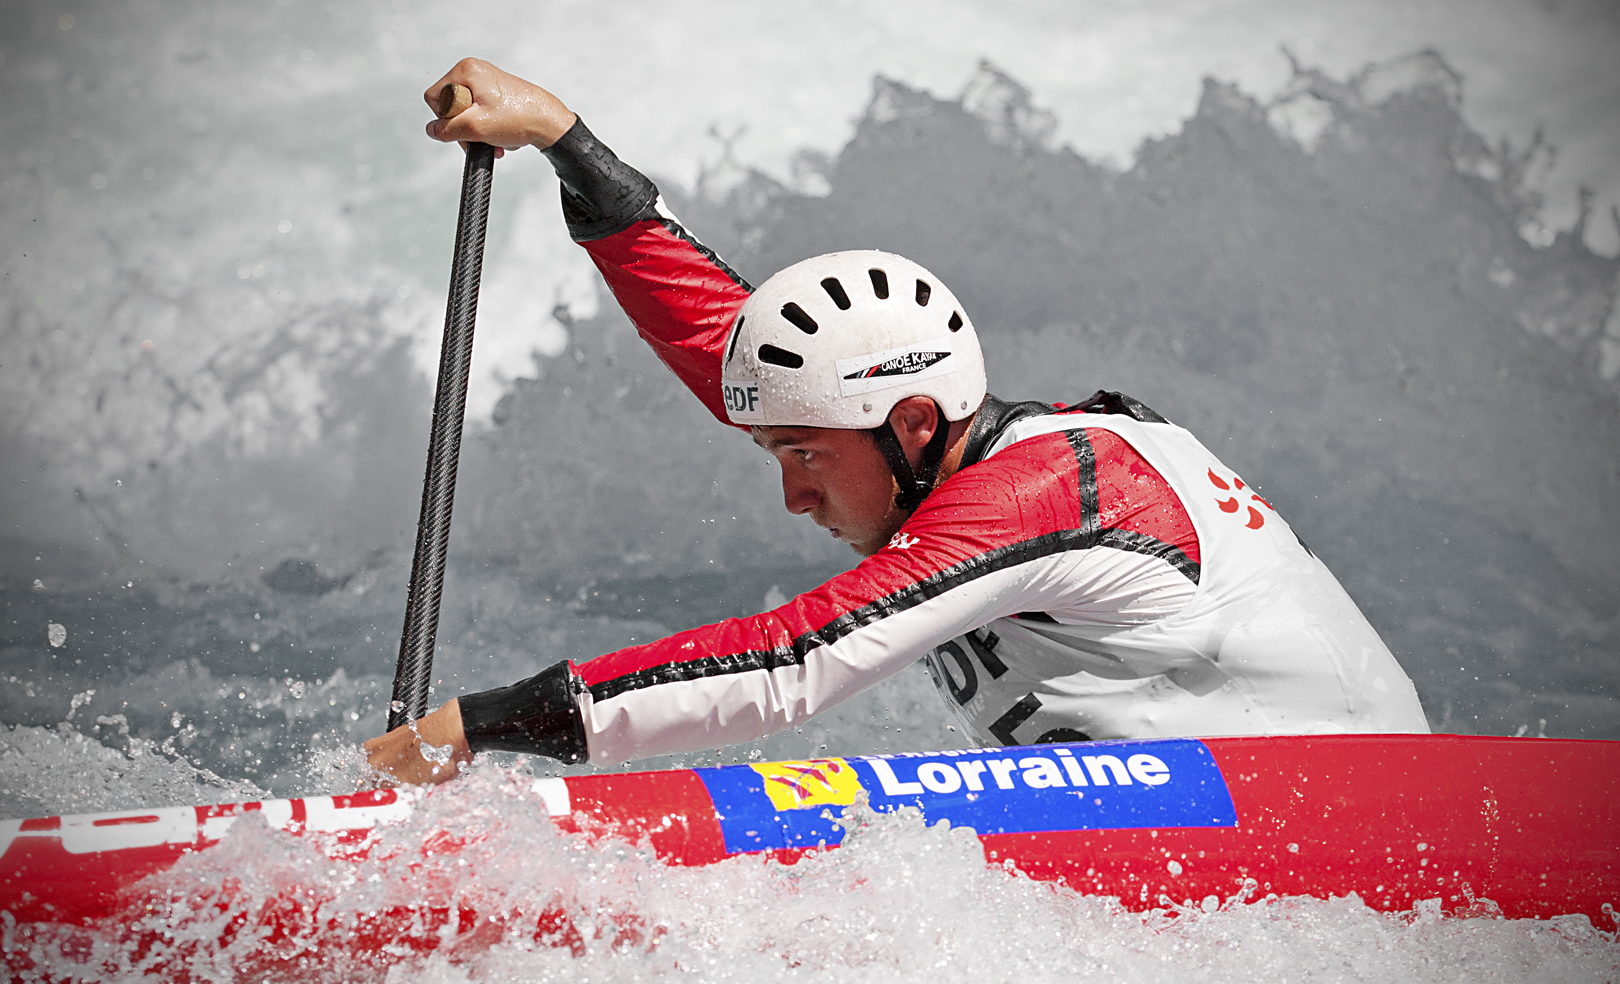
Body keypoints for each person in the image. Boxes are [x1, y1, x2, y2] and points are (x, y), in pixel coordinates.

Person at [364, 58, 1428, 785]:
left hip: (1364, 818)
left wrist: (479, 727)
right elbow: (728, 344)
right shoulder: (941, 441)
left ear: (912, 426)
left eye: (805, 459)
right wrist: (565, 139)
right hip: (1190, 813)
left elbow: (790, 663)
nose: (792, 496)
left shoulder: (1037, 495)